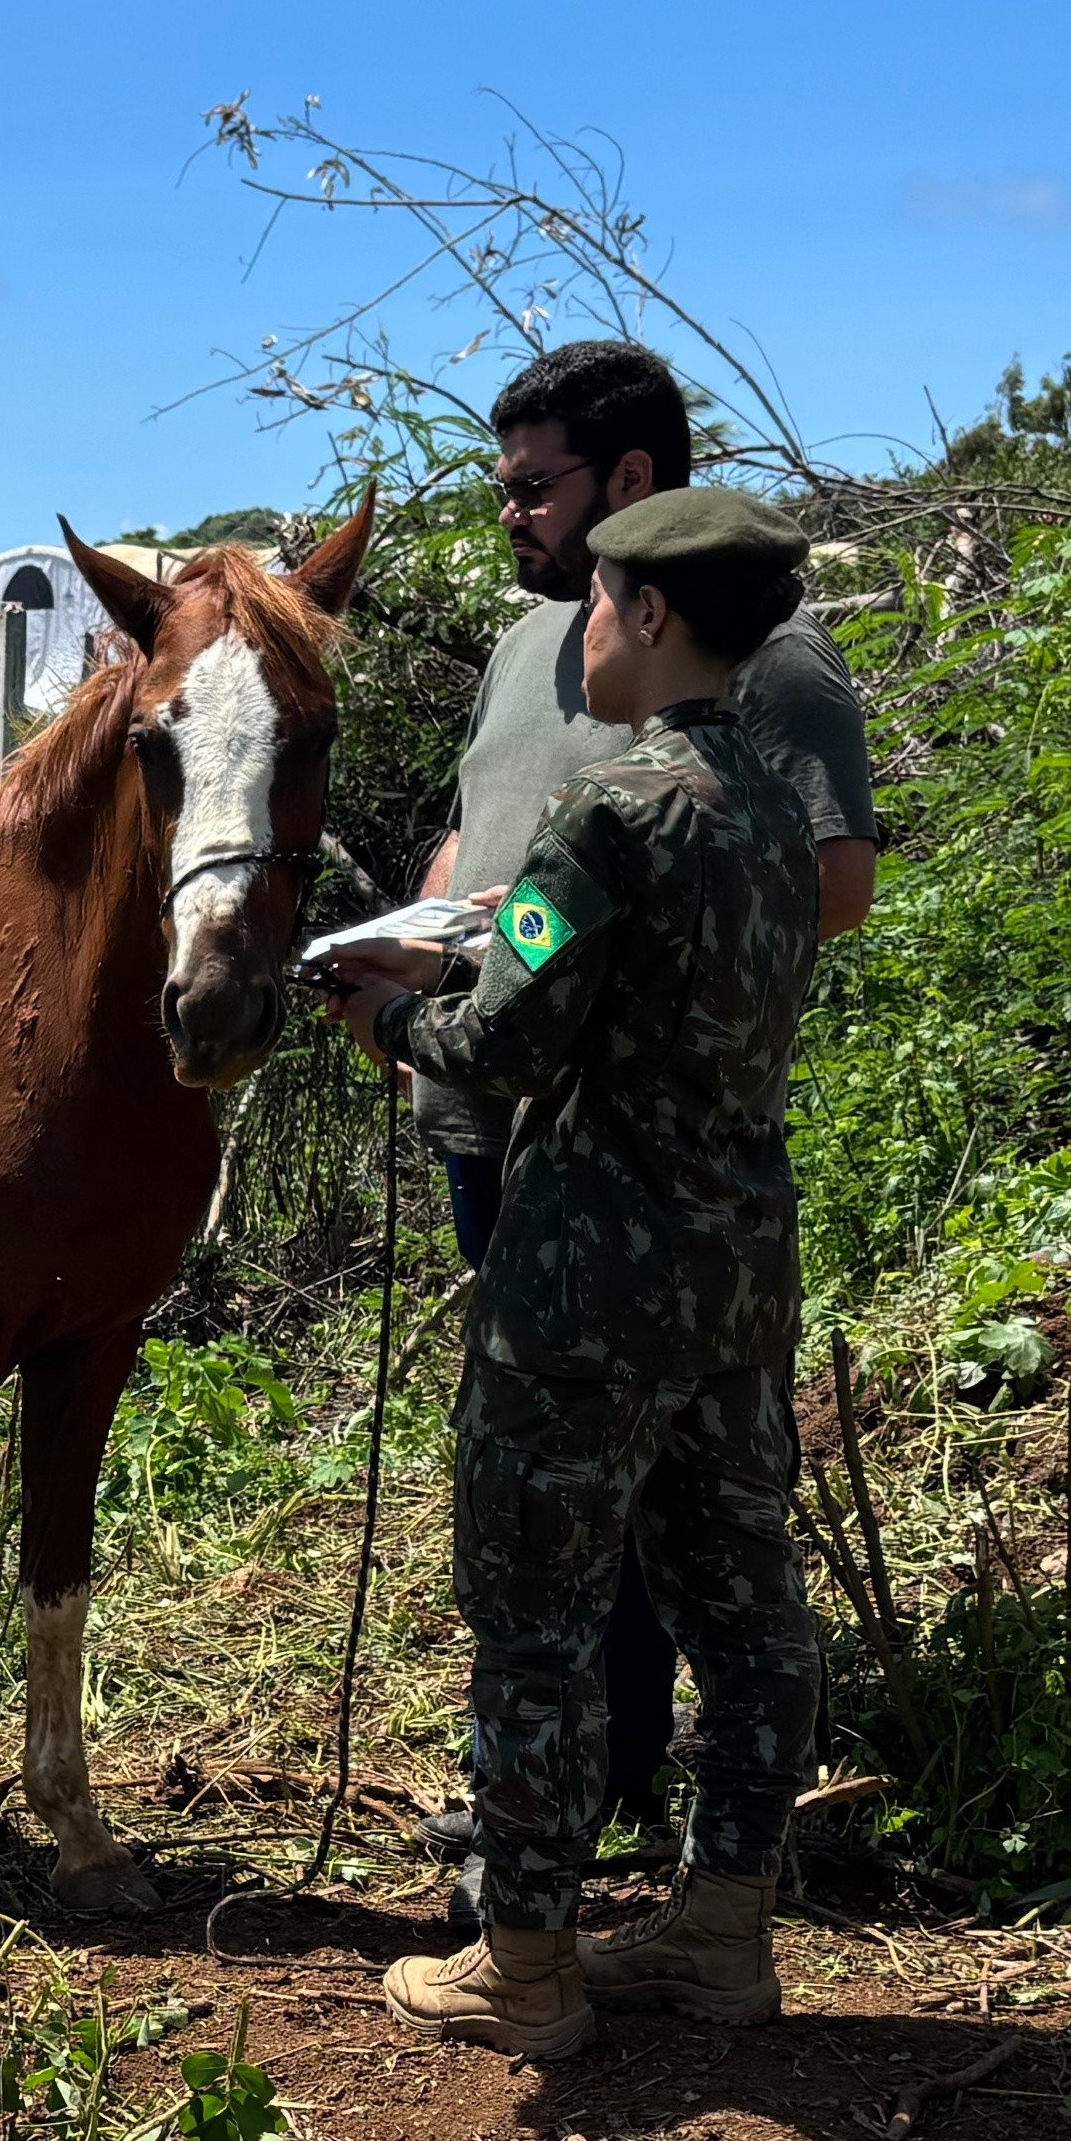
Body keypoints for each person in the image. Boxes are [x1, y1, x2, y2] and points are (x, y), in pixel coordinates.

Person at [311, 484, 835, 2052]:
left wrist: (387, 1005)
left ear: (652, 614)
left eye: (598, 602)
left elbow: (506, 1041)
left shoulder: (614, 808)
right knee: (745, 1610)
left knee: (536, 1607)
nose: (582, 630)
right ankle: (724, 1928)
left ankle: (525, 1959)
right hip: (734, 1267)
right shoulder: (773, 818)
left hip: (587, 1285)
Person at [395, 341, 879, 1879]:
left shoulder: (662, 770)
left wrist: (409, 1016)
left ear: (643, 554)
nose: (518, 524)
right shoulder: (626, 718)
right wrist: (459, 929)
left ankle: (535, 1916)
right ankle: (710, 1904)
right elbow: (490, 849)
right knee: (730, 1572)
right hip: (695, 1206)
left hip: (593, 1200)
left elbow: (540, 999)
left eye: (537, 490)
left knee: (548, 1560)